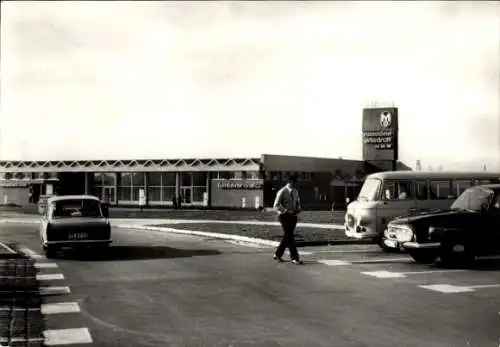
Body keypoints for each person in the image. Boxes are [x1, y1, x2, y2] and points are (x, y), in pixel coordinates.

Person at [273, 175, 303, 265]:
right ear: (289, 182)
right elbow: (276, 205)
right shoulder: (282, 191)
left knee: (287, 236)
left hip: (293, 217)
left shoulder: (295, 191)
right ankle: (294, 258)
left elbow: (297, 202)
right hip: (284, 216)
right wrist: (286, 211)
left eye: (295, 183)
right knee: (290, 236)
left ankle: (278, 254)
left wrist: (298, 208)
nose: (294, 184)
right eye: (293, 182)